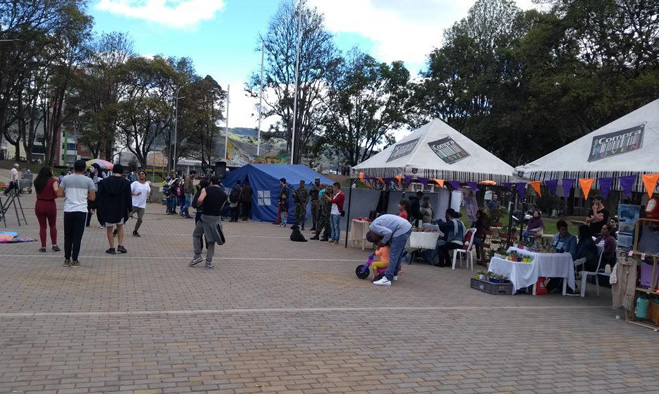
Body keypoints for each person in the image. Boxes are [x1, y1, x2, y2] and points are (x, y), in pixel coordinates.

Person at [57, 159, 96, 267]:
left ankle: (66, 259)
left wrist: (68, 194)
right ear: (84, 169)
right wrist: (84, 196)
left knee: (68, 236)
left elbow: (59, 193)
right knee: (77, 237)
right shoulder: (88, 181)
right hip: (81, 210)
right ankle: (75, 260)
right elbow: (92, 197)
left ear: (74, 167)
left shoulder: (66, 178)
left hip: (68, 210)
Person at [190, 176, 227, 269]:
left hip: (205, 217)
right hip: (216, 219)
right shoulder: (224, 194)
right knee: (211, 241)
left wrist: (199, 205)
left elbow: (200, 200)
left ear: (210, 182)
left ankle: (197, 255)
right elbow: (222, 207)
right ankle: (208, 262)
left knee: (196, 235)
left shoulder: (205, 190)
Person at [367, 214, 413, 286]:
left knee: (393, 255)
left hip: (401, 229)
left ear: (372, 234)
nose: (377, 242)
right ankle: (394, 274)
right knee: (398, 254)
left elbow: (388, 233)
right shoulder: (375, 224)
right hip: (406, 227)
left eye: (375, 241)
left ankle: (387, 279)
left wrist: (382, 242)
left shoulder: (374, 227)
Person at [97, 164, 132, 255]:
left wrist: (97, 206)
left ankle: (112, 248)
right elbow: (128, 197)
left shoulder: (105, 181)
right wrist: (130, 209)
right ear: (122, 172)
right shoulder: (126, 182)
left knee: (109, 228)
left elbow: (99, 195)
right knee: (120, 226)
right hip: (121, 207)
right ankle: (120, 245)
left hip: (108, 207)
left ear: (113, 171)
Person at [546, 220, 578, 293]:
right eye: (562, 230)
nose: (565, 231)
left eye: (566, 229)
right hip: (554, 259)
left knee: (557, 267)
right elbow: (551, 246)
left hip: (565, 261)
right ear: (558, 229)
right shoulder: (556, 236)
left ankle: (557, 285)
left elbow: (572, 253)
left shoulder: (572, 239)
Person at [33, 166, 60, 253]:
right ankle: (54, 245)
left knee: (42, 226)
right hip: (50, 204)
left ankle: (43, 246)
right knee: (52, 225)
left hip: (39, 204)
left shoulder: (36, 181)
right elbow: (57, 191)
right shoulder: (53, 181)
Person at [130, 170, 151, 237]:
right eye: (140, 174)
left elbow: (150, 193)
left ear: (145, 176)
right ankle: (116, 230)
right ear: (138, 176)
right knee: (125, 217)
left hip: (142, 206)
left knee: (140, 219)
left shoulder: (147, 185)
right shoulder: (135, 183)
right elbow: (128, 192)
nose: (141, 175)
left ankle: (135, 231)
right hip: (133, 204)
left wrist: (152, 187)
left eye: (143, 174)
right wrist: (135, 194)